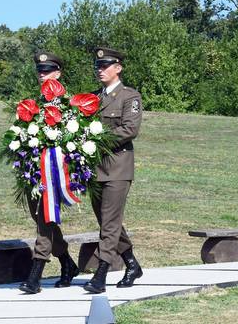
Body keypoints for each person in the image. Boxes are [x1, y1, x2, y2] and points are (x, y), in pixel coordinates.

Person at [83, 47, 143, 293]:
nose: (100, 69)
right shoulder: (92, 99)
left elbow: (130, 130)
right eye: (98, 66)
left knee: (109, 223)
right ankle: (132, 264)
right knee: (108, 221)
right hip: (96, 169)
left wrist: (97, 138)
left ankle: (101, 274)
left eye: (105, 65)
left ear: (118, 68)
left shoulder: (130, 96)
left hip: (118, 168)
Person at [19, 51, 80, 294]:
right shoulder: (33, 105)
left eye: (47, 71)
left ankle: (35, 275)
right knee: (42, 218)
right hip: (36, 173)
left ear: (58, 73)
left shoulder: (69, 105)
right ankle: (67, 264)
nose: (42, 75)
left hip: (58, 173)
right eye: (39, 71)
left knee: (45, 221)